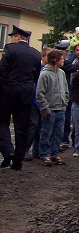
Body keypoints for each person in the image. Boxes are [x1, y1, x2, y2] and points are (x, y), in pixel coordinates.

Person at [0, 25, 42, 170]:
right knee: (22, 127)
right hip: (26, 93)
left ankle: (8, 151)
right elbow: (36, 76)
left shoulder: (10, 49)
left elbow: (2, 70)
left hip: (8, 92)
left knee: (2, 122)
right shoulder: (36, 54)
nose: (11, 39)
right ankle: (18, 161)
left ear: (17, 37)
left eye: (12, 37)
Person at [36, 49, 69, 167]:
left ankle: (55, 153)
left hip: (61, 109)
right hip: (50, 109)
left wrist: (65, 104)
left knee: (58, 133)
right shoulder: (44, 74)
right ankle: (45, 154)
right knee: (46, 132)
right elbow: (39, 93)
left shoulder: (62, 73)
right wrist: (45, 108)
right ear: (55, 60)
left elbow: (65, 90)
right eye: (62, 59)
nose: (63, 60)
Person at [24, 47, 49, 161]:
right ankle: (25, 150)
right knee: (33, 126)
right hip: (35, 102)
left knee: (40, 127)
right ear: (43, 57)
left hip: (42, 102)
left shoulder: (47, 70)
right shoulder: (38, 69)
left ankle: (37, 150)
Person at [59, 41, 79, 151]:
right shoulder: (70, 60)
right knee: (66, 116)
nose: (78, 52)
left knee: (77, 119)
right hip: (69, 91)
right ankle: (65, 139)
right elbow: (69, 68)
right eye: (77, 50)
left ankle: (76, 140)